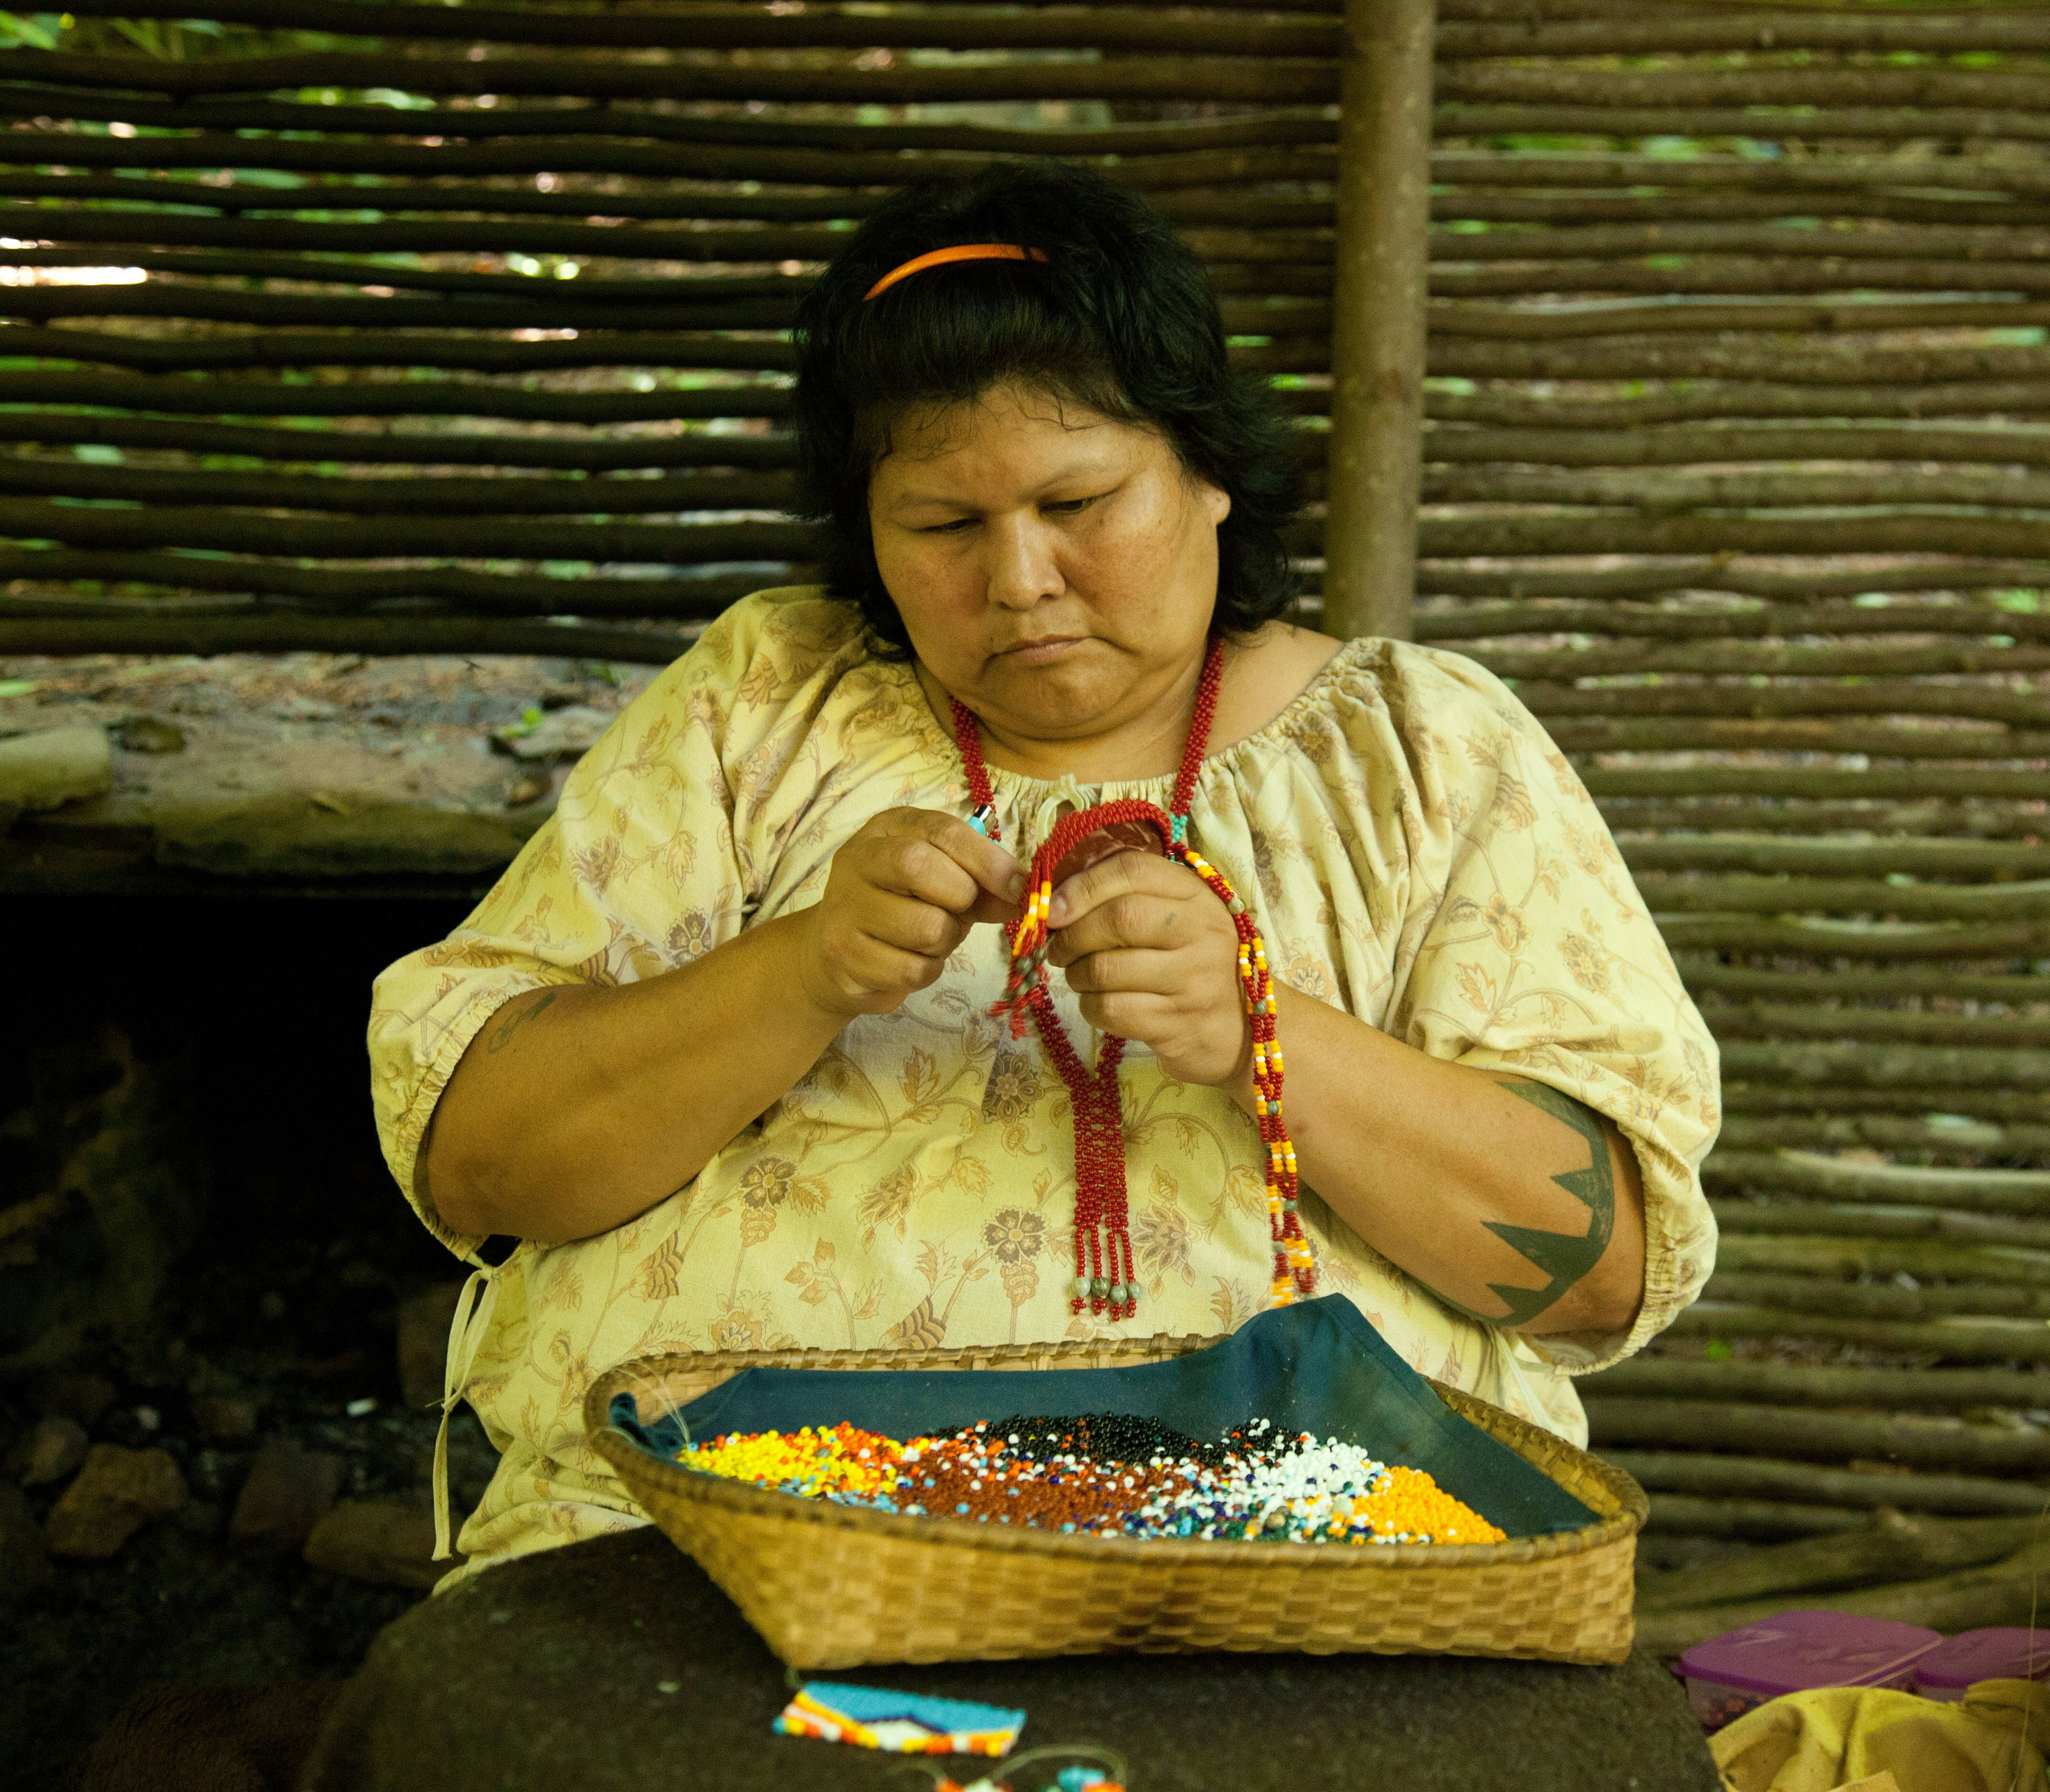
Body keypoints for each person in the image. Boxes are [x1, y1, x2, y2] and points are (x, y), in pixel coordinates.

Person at [367, 159, 1720, 1583]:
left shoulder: (1424, 748)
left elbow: (1600, 1272)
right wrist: (801, 968)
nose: (1019, 581)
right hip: (710, 1525)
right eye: (945, 526)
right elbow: (483, 1167)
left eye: (1080, 500)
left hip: (1311, 1552)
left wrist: (1262, 1033)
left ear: (1207, 473)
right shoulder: (759, 702)